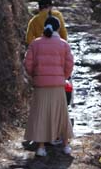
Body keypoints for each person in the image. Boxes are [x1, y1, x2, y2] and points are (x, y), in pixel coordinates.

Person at [23, 15, 74, 157]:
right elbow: (69, 64)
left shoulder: (35, 43)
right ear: (58, 28)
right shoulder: (64, 44)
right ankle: (65, 146)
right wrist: (63, 77)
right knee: (61, 114)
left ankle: (40, 148)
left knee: (41, 115)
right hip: (58, 85)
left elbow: (27, 63)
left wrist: (35, 75)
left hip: (41, 85)